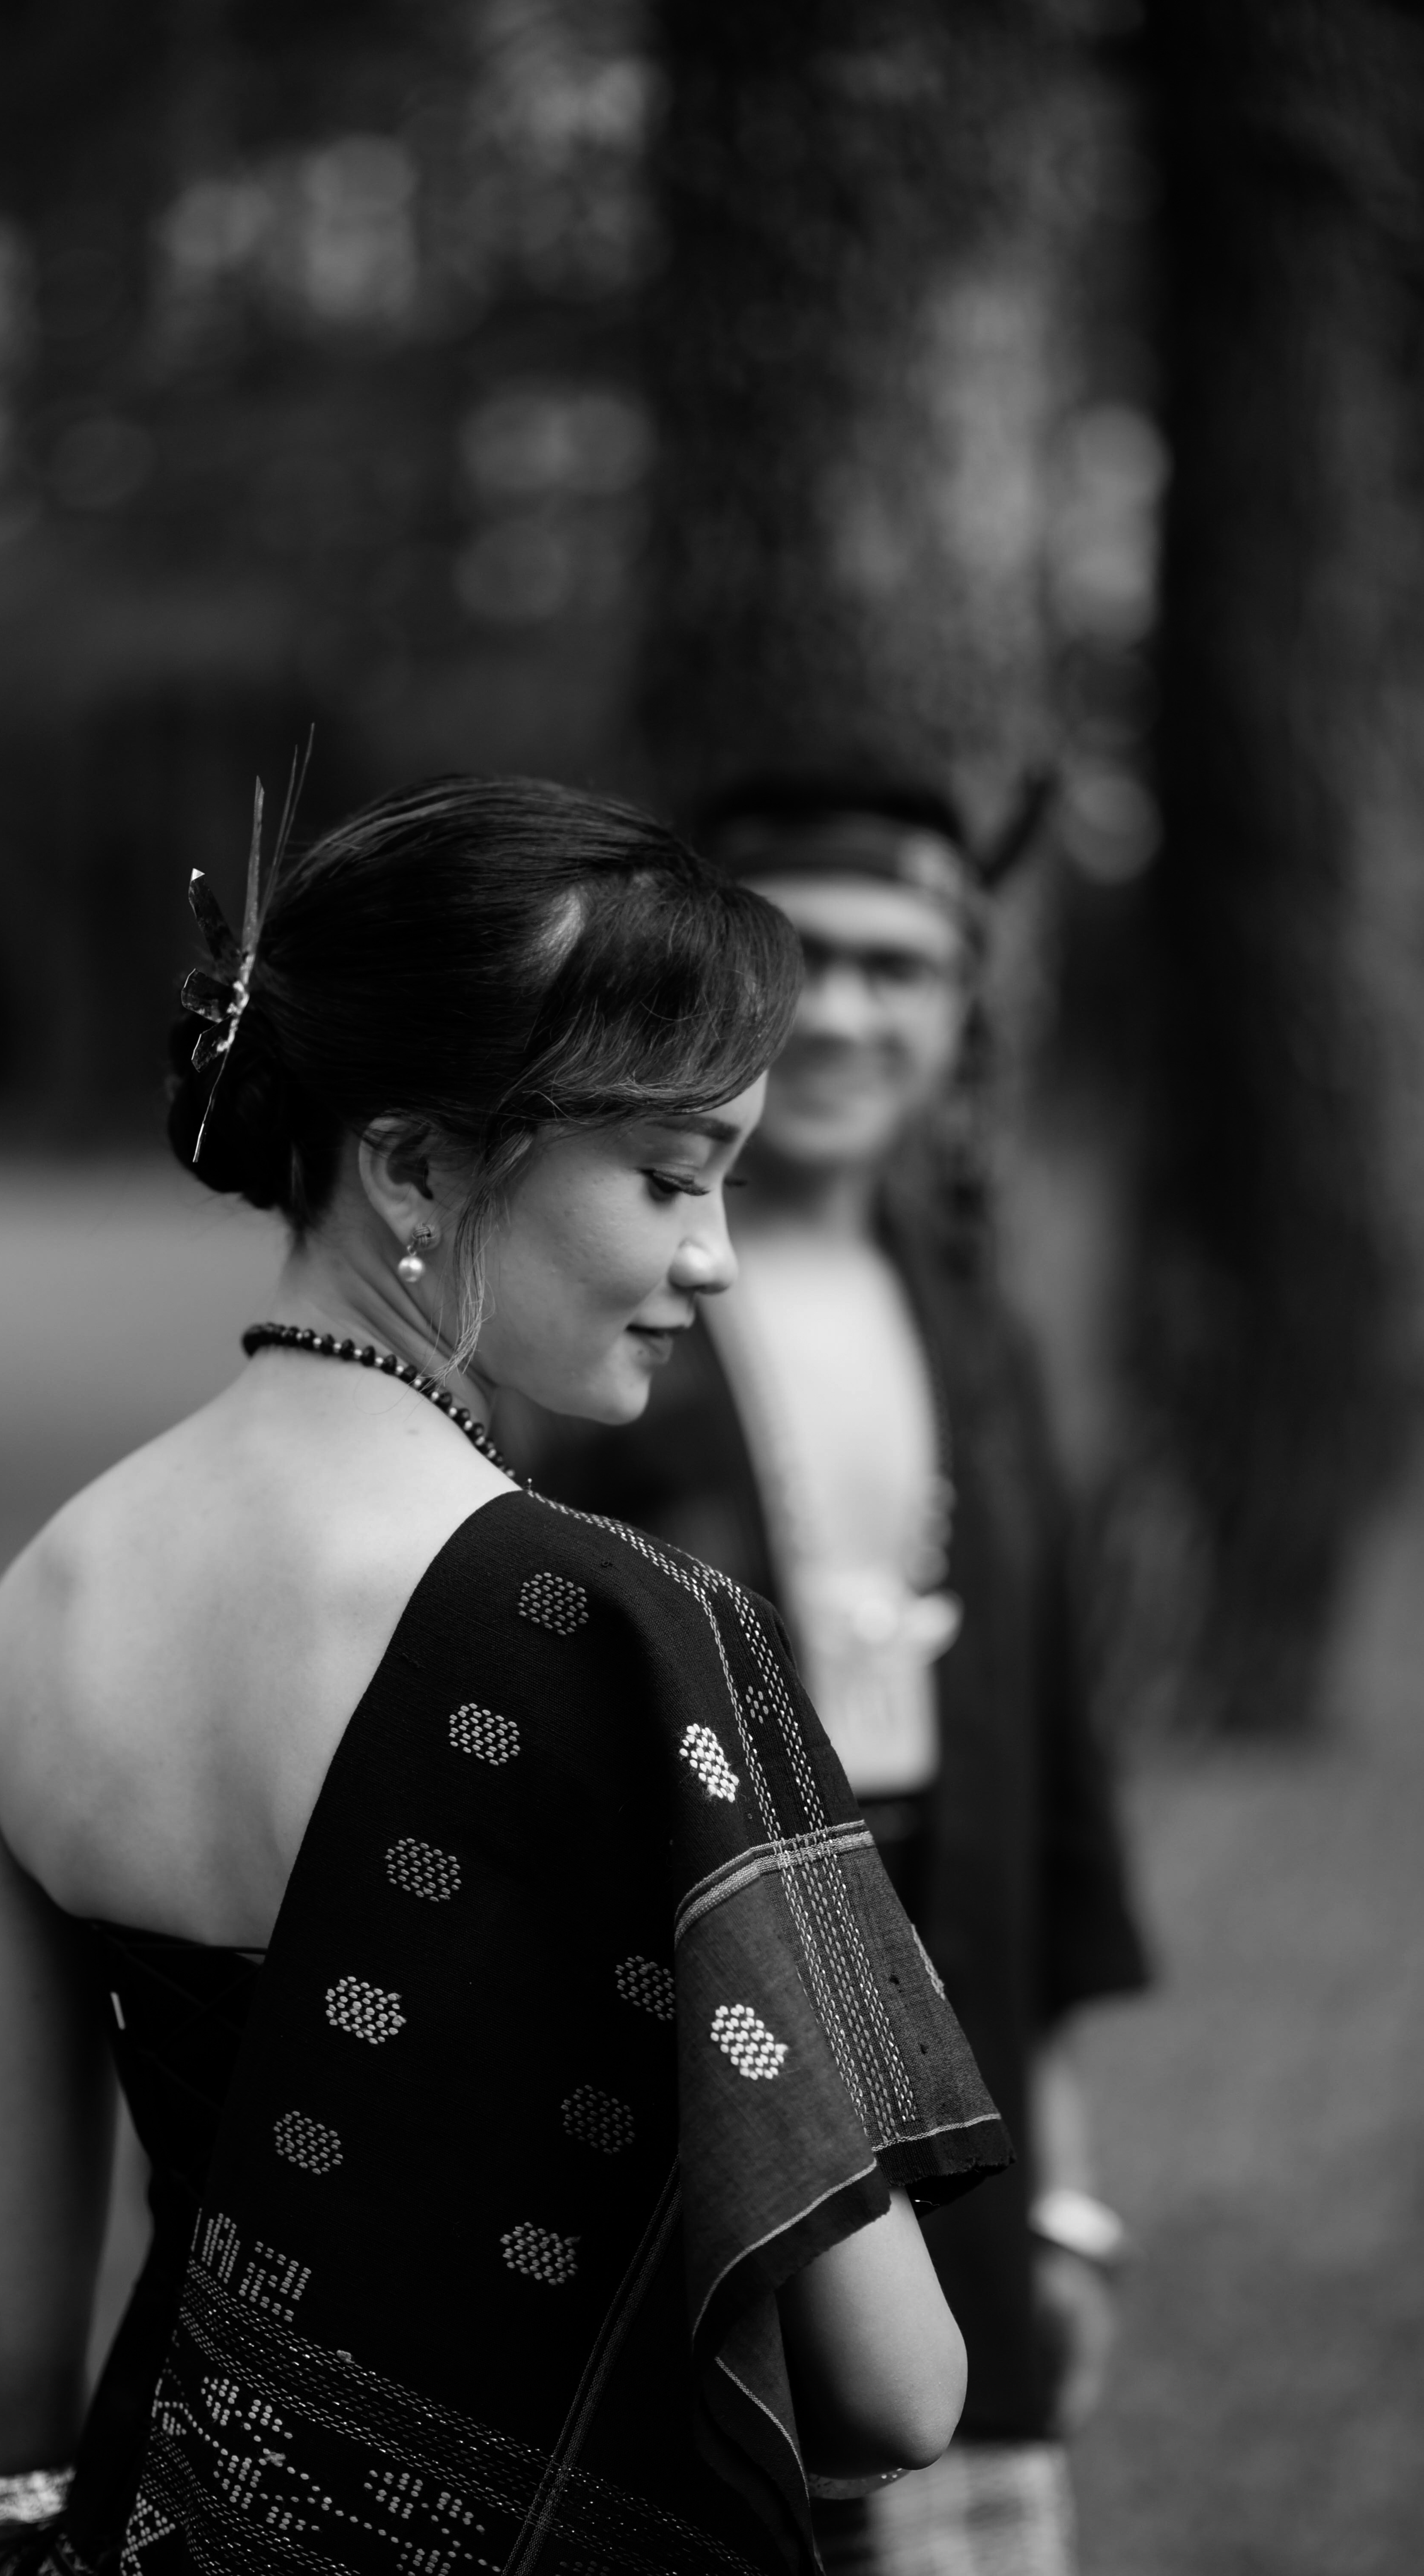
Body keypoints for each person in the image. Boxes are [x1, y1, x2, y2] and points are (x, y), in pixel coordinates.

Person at [0, 775, 1013, 2576]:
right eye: (668, 1177)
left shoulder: (45, 1597)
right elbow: (895, 2393)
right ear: (415, 1159)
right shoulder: (623, 1634)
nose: (712, 1259)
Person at [505, 774, 1150, 2576]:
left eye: (907, 968)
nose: (856, 1016)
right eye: (808, 965)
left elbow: (1044, 1779)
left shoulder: (975, 1313)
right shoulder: (601, 1320)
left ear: (966, 1000)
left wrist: (1064, 2201)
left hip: (948, 2014)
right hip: (684, 2039)